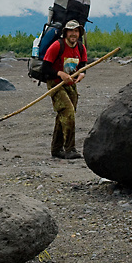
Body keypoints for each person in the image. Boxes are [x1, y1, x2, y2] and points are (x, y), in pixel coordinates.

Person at [41, 20, 88, 159]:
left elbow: (83, 64)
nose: (74, 34)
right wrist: (60, 74)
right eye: (71, 31)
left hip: (70, 84)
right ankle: (70, 149)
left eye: (76, 31)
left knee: (64, 114)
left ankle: (56, 149)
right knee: (68, 112)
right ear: (65, 33)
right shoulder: (57, 46)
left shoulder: (80, 47)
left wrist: (81, 74)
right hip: (55, 84)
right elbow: (45, 68)